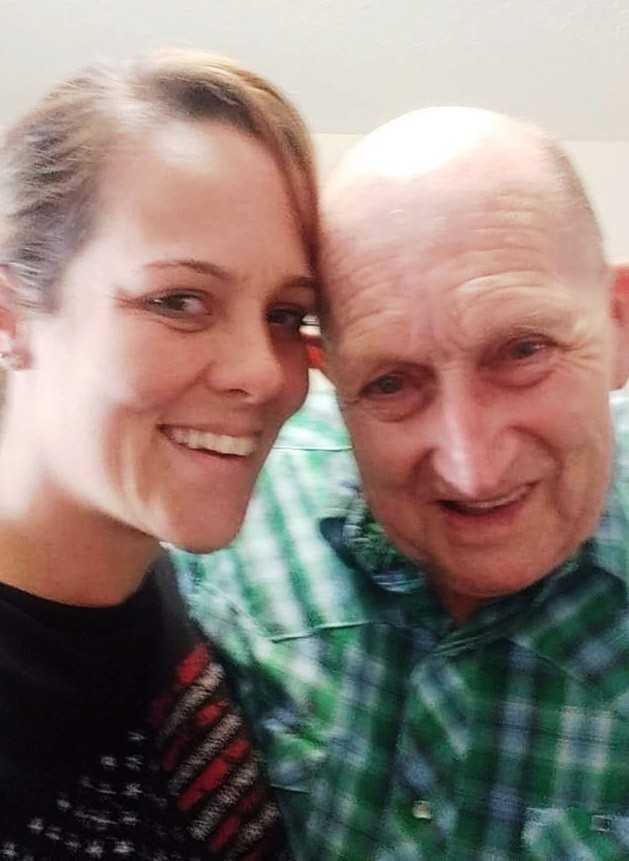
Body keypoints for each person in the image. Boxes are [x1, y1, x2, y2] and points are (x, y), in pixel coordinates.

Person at [173, 107, 629, 860]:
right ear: (330, 376)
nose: (471, 469)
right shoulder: (234, 534)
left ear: (616, 325)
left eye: (521, 351)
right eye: (389, 384)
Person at [0, 49, 319, 859]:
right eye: (178, 301)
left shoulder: (166, 597)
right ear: (12, 318)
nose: (262, 373)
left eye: (287, 314)